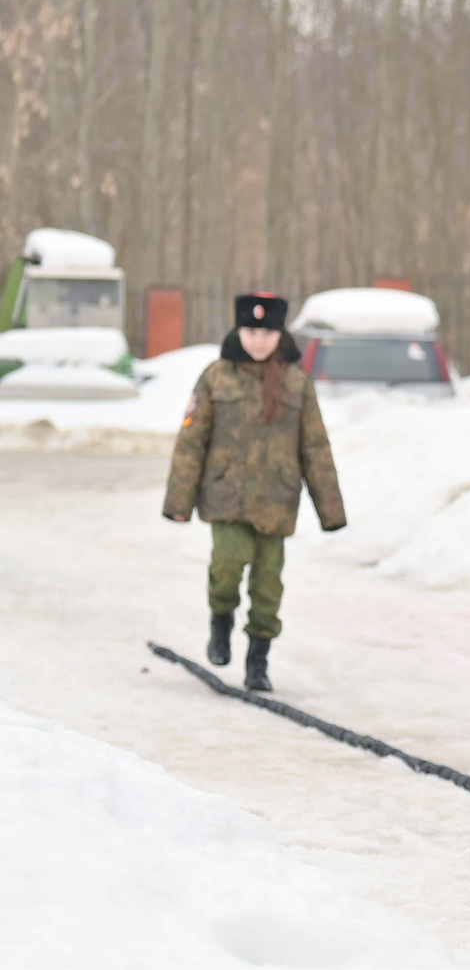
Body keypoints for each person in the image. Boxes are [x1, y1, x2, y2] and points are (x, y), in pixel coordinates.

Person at [162, 292, 346, 694]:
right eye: (251, 332)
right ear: (238, 331)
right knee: (227, 564)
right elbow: (191, 441)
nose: (258, 341)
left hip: (277, 500)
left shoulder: (296, 382)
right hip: (226, 495)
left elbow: (315, 448)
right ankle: (221, 621)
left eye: (267, 333)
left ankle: (258, 661)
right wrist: (179, 501)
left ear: (280, 335)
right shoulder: (216, 376)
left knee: (268, 588)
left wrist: (330, 510)